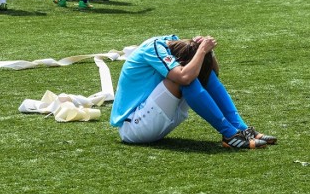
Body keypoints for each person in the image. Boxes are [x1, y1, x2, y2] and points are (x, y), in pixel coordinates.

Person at [110, 35, 277, 149]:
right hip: (133, 127)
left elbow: (212, 74)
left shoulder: (174, 43)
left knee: (200, 74)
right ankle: (229, 134)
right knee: (184, 78)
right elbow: (184, 77)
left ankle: (241, 129)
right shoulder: (154, 48)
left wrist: (207, 52)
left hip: (153, 120)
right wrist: (201, 51)